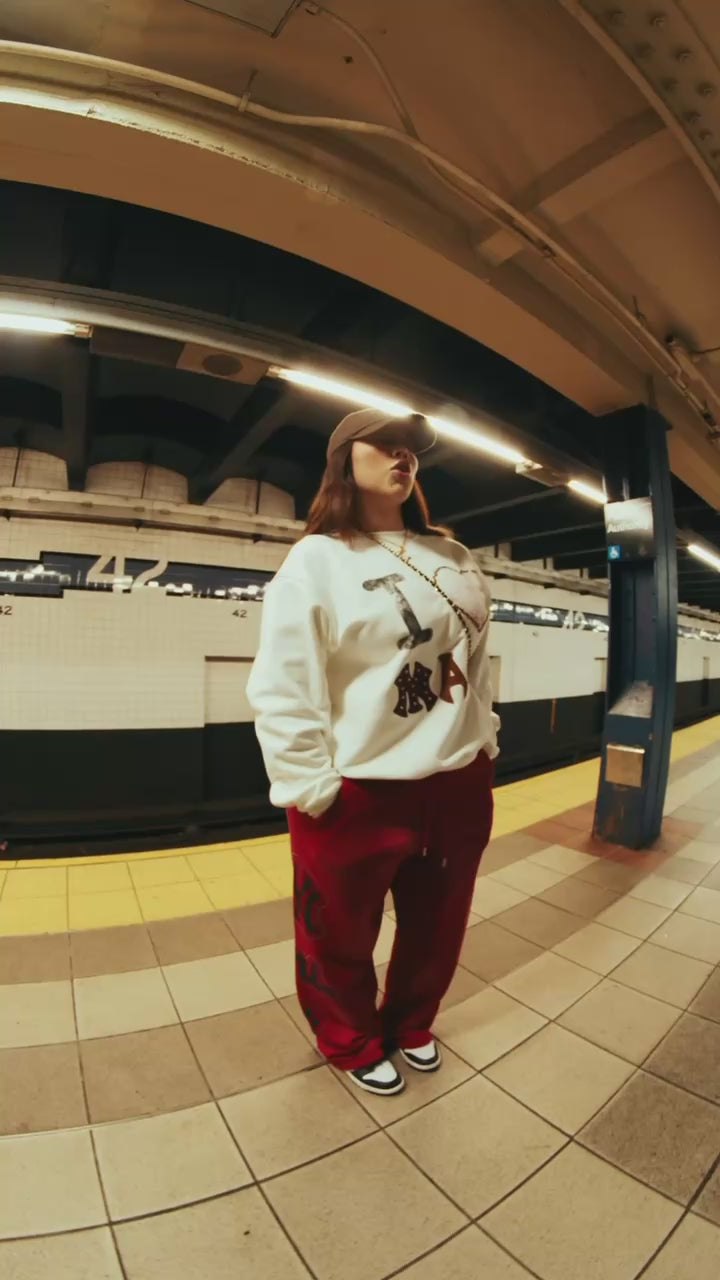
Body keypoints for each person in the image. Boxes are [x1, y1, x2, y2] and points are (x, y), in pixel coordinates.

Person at [247, 407, 499, 1096]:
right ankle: (349, 1038)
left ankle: (412, 1022)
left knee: (437, 927)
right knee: (337, 936)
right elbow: (284, 682)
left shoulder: (453, 557)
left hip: (457, 782)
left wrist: (485, 739)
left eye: (410, 448)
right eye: (383, 444)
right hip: (359, 791)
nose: (402, 455)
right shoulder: (317, 560)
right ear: (343, 461)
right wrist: (313, 789)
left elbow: (476, 665)